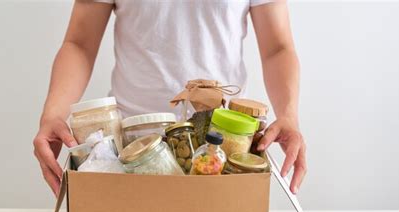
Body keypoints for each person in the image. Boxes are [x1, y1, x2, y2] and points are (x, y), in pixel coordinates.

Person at [33, 0, 307, 195]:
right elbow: (80, 43)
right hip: (130, 150)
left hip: (222, 148)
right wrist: (53, 114)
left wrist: (288, 116)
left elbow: (277, 48)